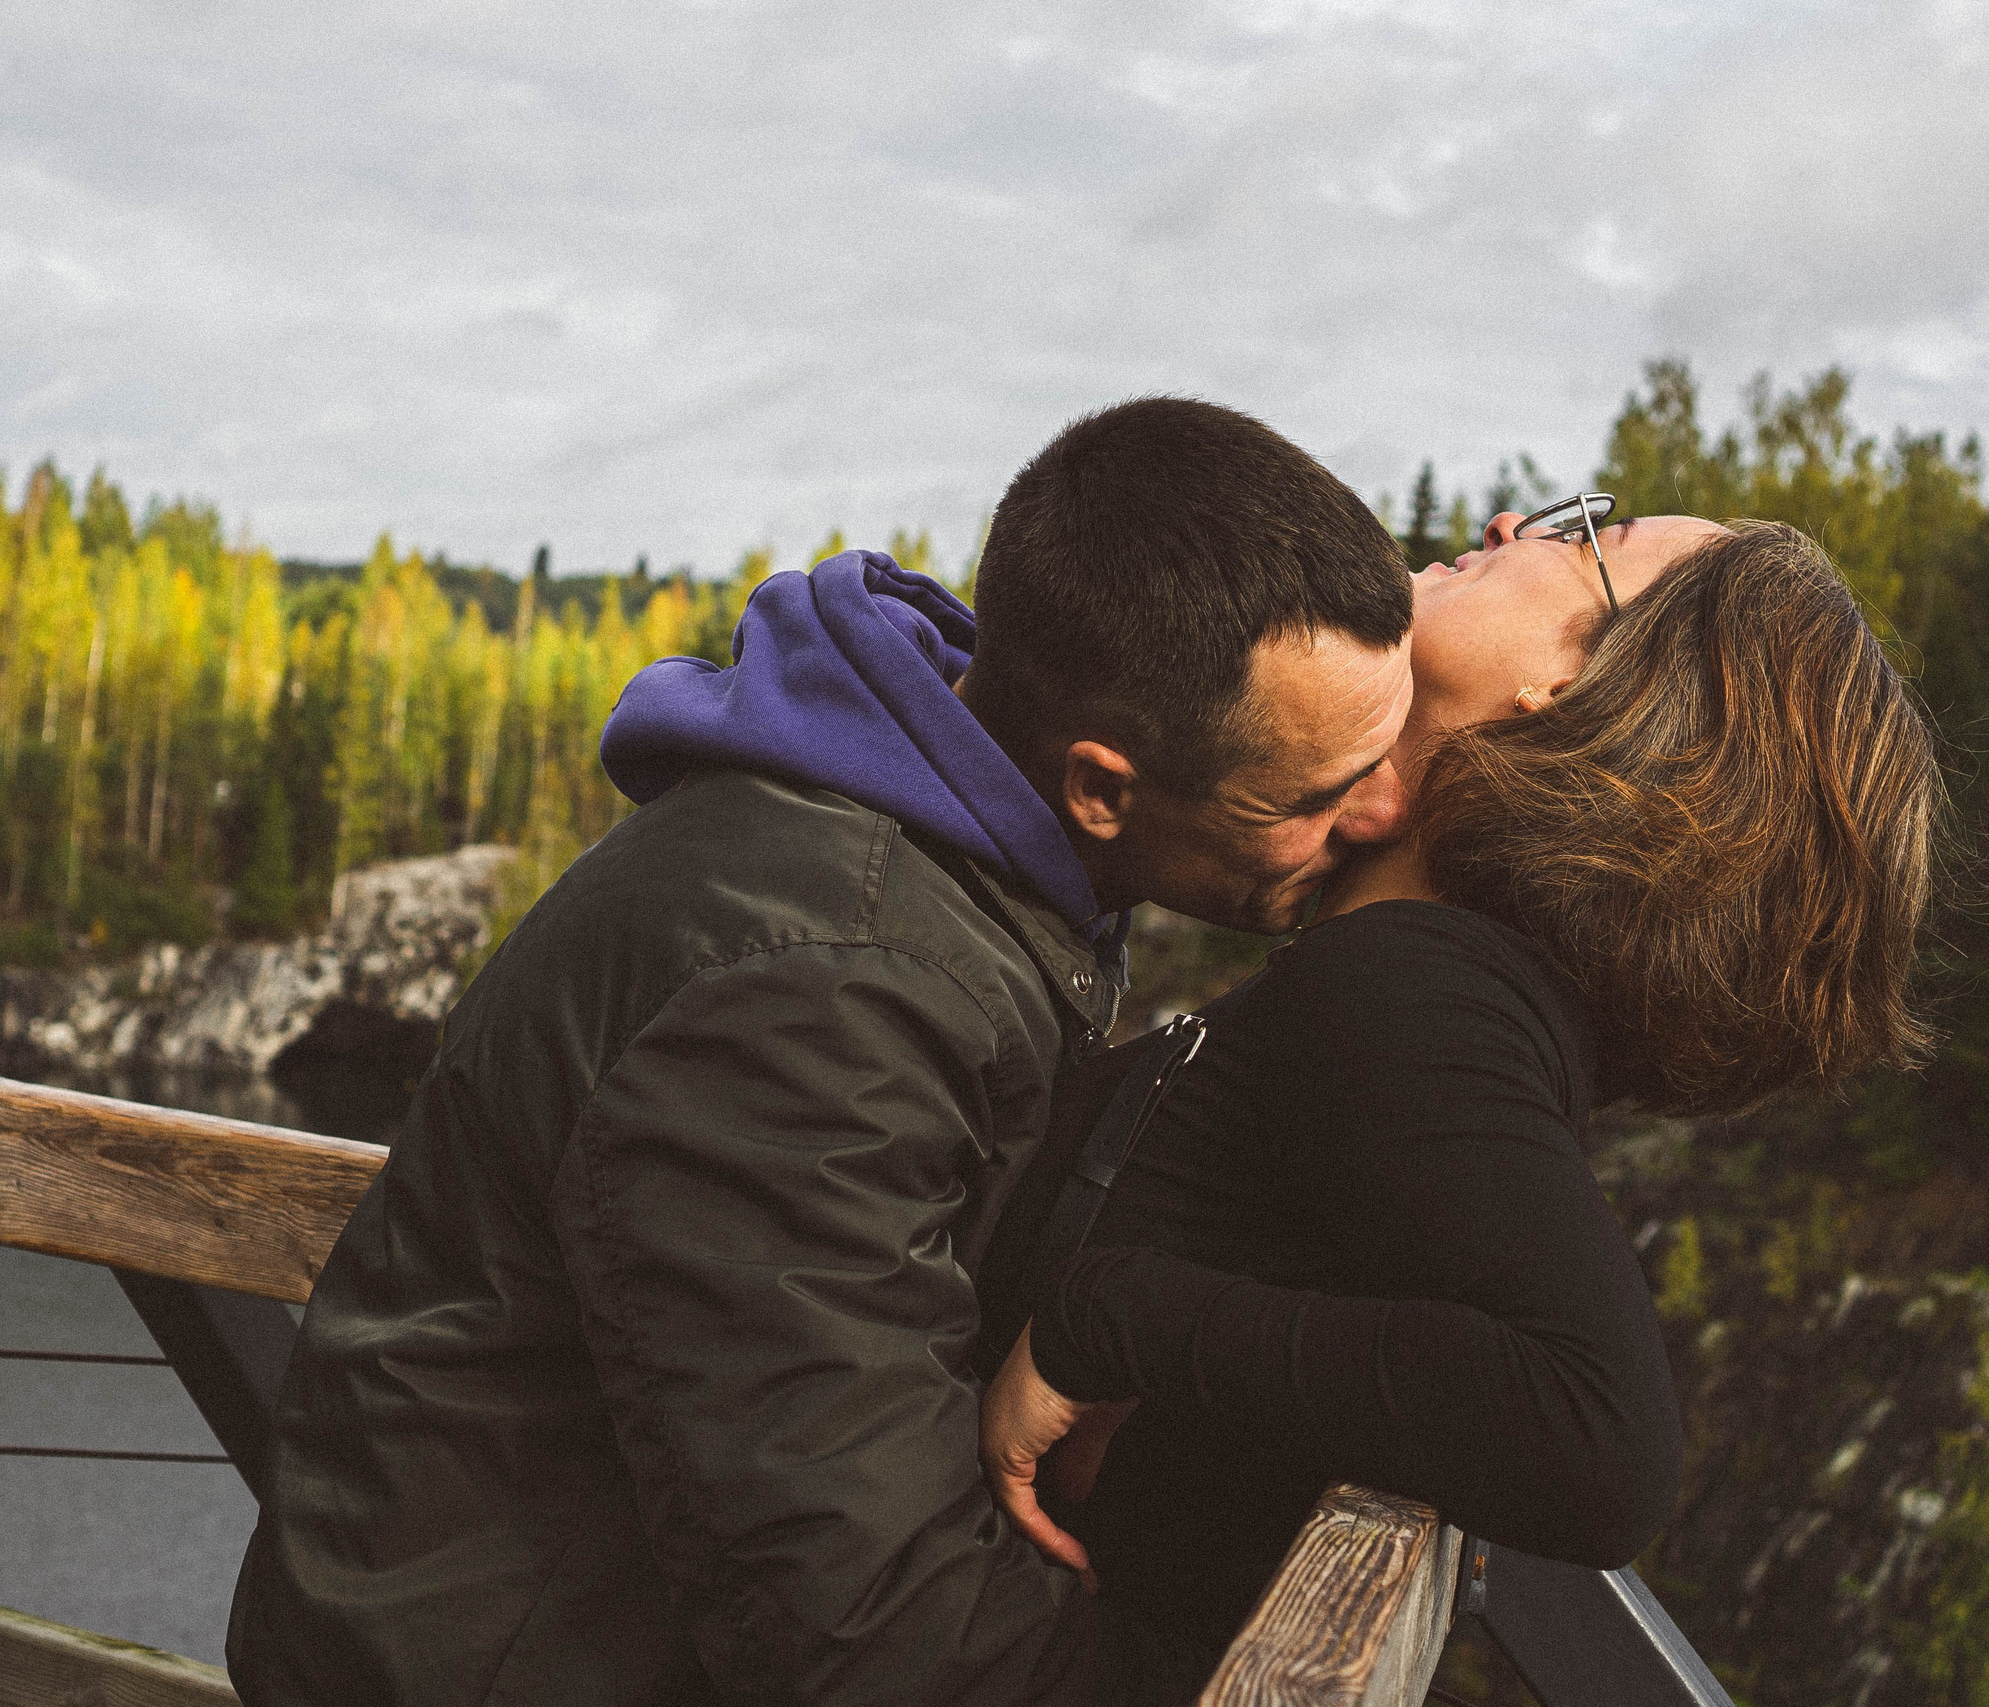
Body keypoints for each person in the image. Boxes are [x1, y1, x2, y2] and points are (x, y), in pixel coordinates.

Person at [224, 397, 1420, 1706]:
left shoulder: (944, 854)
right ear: (1104, 788)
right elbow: (855, 1601)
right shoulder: (818, 991)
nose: (1383, 810)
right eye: (1316, 794)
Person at [978, 511, 1947, 1703]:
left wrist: (1115, 1317)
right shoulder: (1450, 996)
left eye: (1596, 529)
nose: (1510, 518)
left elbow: (1599, 1443)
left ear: (1584, 690)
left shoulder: (1417, 987)